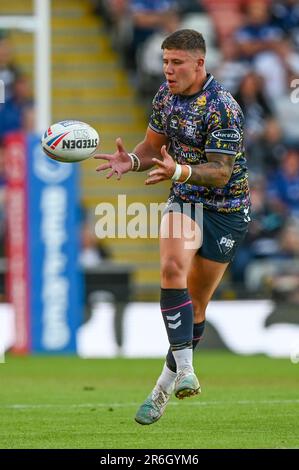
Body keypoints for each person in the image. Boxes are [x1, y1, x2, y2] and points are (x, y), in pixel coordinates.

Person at [94, 29, 250, 425]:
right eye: (165, 61)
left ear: (200, 63)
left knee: (196, 306)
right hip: (186, 201)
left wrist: (178, 168)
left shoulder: (223, 107)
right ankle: (186, 371)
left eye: (177, 62)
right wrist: (131, 159)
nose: (168, 69)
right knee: (170, 268)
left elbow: (220, 172)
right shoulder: (164, 97)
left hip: (228, 209)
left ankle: (162, 388)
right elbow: (151, 147)